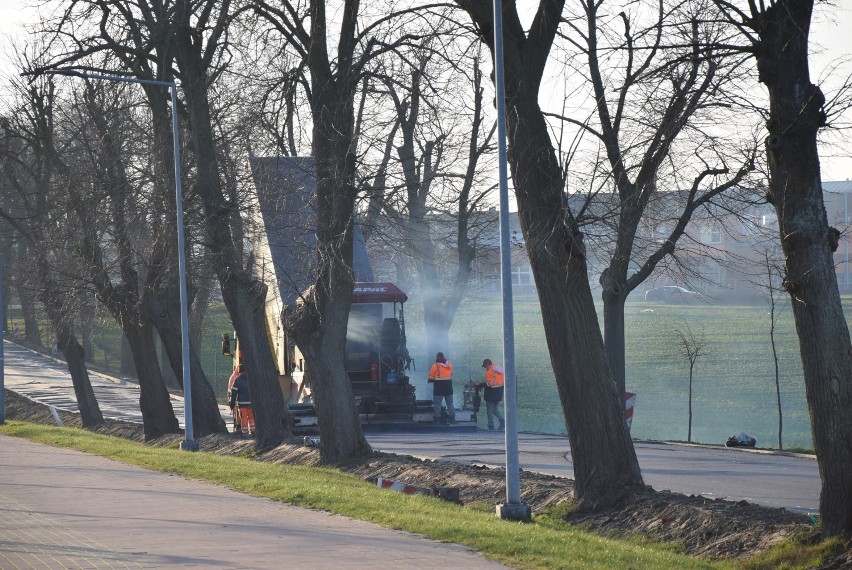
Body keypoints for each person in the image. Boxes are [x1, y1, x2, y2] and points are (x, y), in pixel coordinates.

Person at [477, 359, 505, 431]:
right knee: (495, 409)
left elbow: (489, 384)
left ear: (487, 364)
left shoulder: (489, 371)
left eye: (485, 366)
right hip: (499, 393)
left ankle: (491, 426)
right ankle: (503, 421)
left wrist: (479, 384)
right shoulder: (499, 370)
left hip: (491, 394)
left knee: (489, 410)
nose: (485, 368)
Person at [428, 352, 455, 424]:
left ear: (437, 357)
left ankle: (437, 420)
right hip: (448, 387)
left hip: (439, 387)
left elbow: (431, 377)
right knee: (450, 403)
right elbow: (451, 374)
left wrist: (430, 380)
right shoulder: (449, 365)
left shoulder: (435, 366)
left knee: (437, 404)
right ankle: (452, 419)